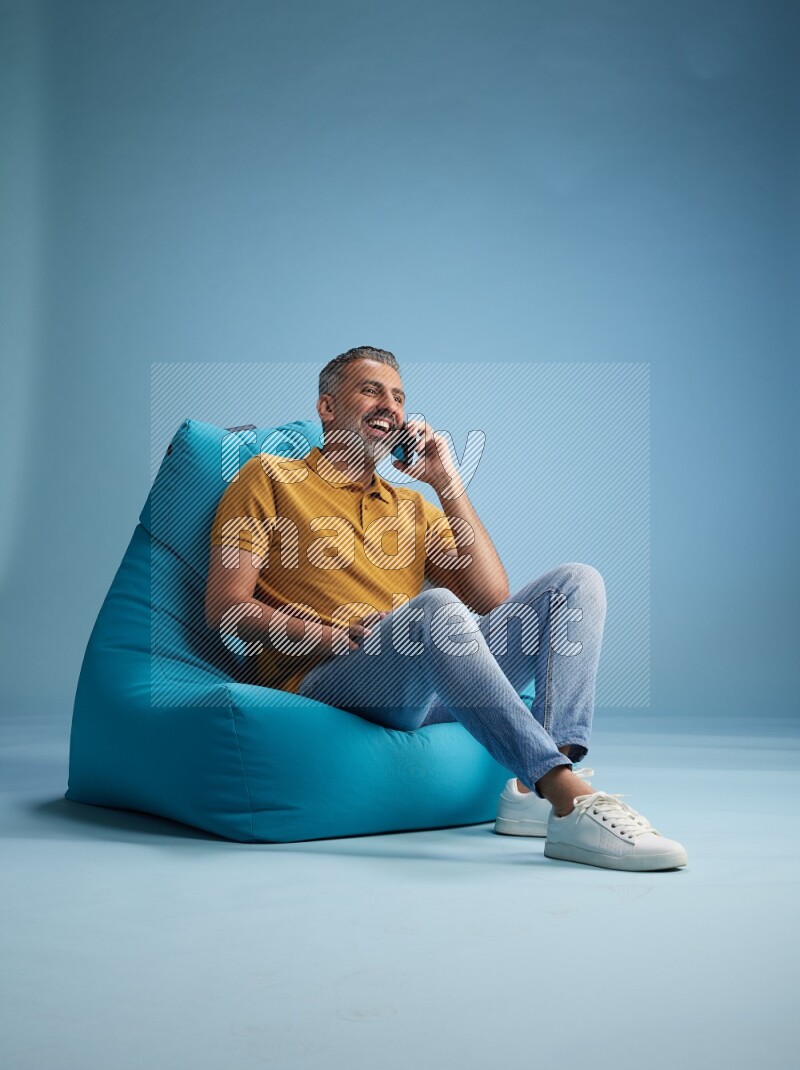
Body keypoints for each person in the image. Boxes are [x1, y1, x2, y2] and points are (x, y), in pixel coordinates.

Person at [205, 345, 687, 872]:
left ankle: (531, 791)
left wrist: (445, 482)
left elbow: (491, 598)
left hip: (417, 675)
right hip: (324, 678)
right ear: (326, 407)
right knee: (435, 608)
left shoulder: (411, 505)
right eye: (371, 390)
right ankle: (568, 796)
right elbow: (227, 609)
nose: (390, 405)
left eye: (398, 397)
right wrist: (336, 636)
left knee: (576, 584)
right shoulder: (269, 477)